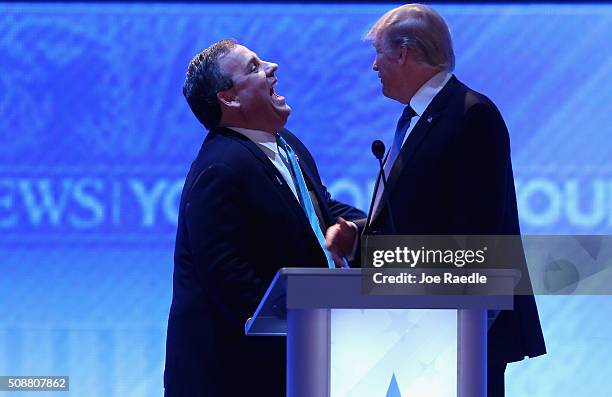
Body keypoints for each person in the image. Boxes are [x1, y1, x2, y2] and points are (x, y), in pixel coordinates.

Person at [326, 4, 546, 396]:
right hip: (417, 330)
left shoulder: (471, 115)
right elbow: (413, 218)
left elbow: (475, 240)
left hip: (460, 333)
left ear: (404, 53)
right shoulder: (417, 118)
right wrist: (360, 238)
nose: (374, 66)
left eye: (378, 53)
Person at [164, 39, 364, 397]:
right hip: (236, 380)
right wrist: (309, 329)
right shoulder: (219, 168)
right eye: (254, 67)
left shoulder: (287, 144)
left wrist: (374, 229)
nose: (272, 67)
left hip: (295, 367)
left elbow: (321, 212)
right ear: (230, 98)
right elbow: (230, 279)